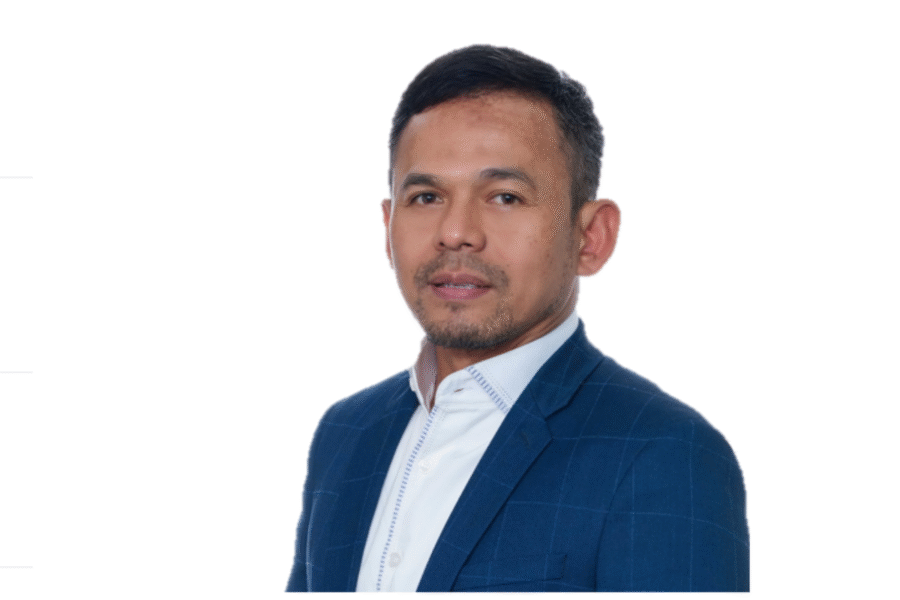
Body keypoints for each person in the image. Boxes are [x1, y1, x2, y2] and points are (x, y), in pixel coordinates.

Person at [286, 44, 749, 592]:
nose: (455, 232)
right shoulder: (346, 434)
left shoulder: (665, 455)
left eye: (504, 197)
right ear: (388, 227)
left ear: (590, 237)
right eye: (427, 196)